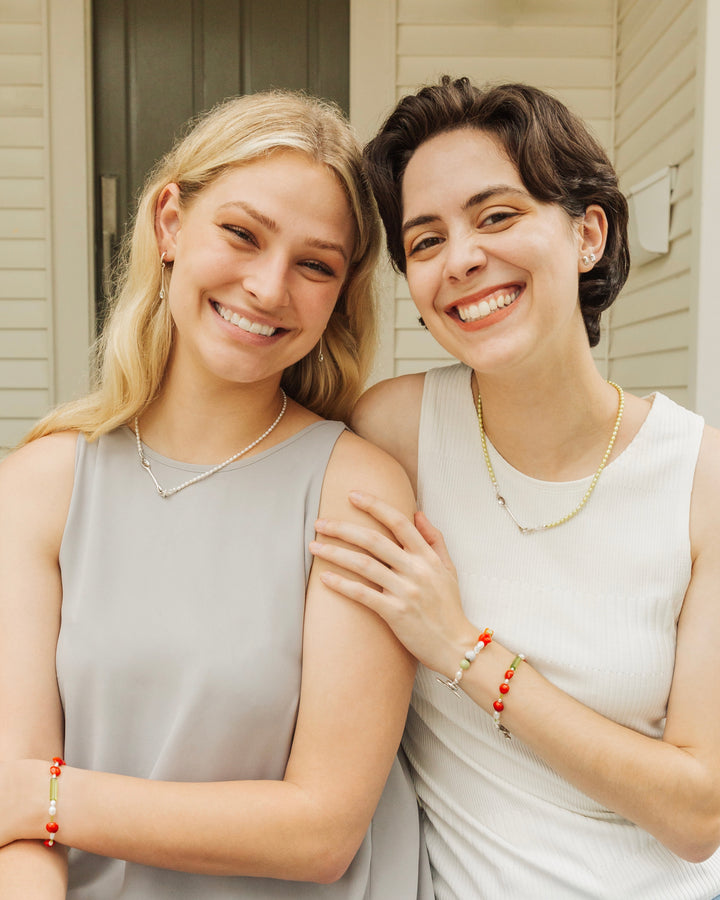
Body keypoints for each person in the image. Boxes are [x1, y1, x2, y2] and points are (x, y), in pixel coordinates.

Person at [0, 90, 432, 899]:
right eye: (241, 233)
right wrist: (33, 813)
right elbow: (15, 830)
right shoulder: (39, 487)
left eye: (315, 265)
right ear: (170, 222)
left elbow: (320, 833)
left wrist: (48, 796)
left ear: (340, 294)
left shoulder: (355, 489)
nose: (269, 287)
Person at [309, 77, 720, 899]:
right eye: (425, 242)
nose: (461, 259)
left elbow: (697, 811)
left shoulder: (699, 478)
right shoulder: (395, 434)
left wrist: (461, 648)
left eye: (497, 217)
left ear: (588, 235)